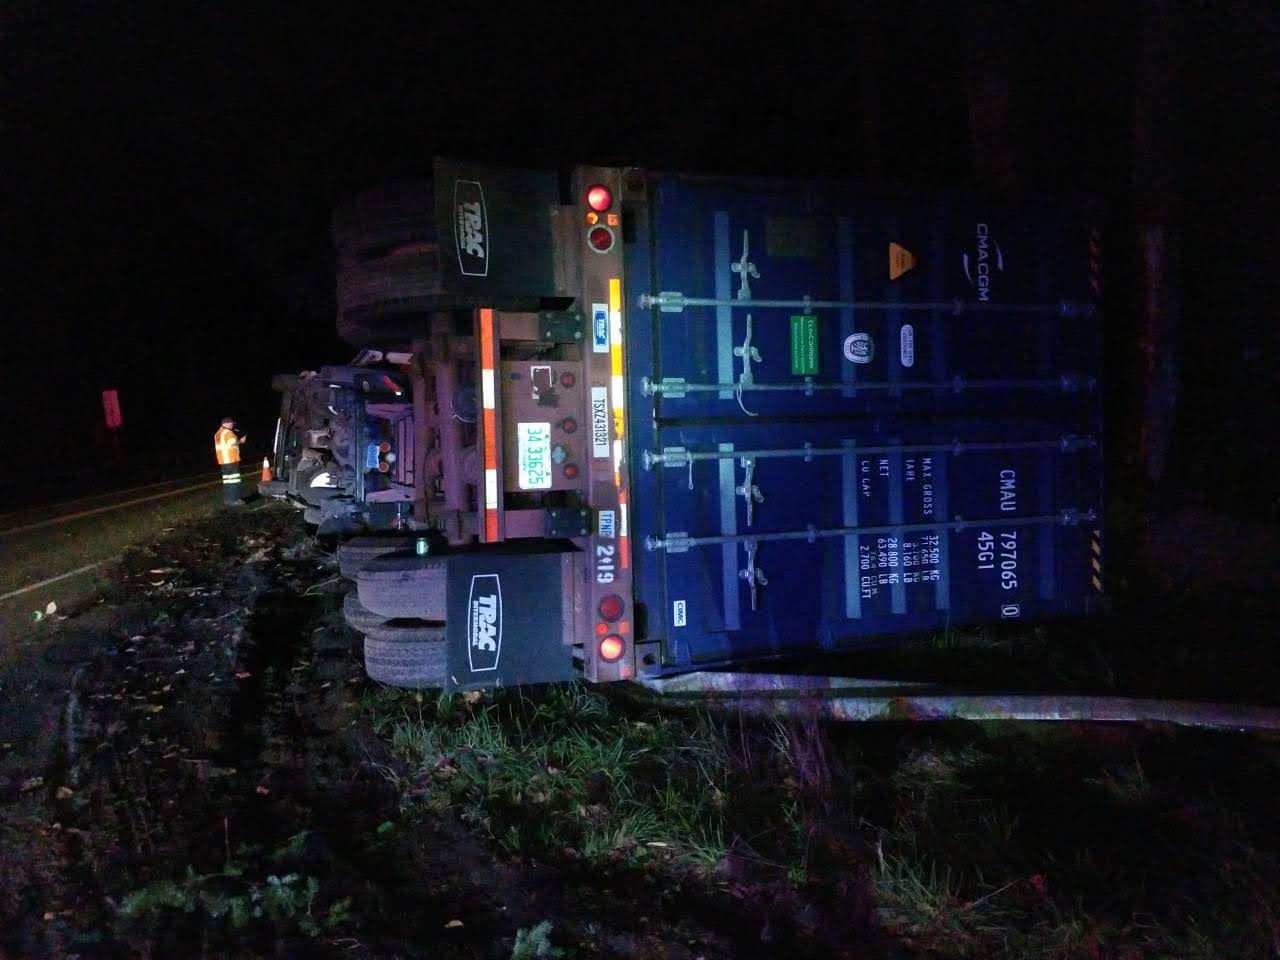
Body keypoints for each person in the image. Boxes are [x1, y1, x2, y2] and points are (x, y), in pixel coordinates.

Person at [214, 417, 247, 506]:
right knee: (234, 481)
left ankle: (228, 500)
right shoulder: (228, 432)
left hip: (223, 461)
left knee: (227, 482)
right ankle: (234, 500)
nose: (233, 425)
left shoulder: (218, 433)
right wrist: (241, 441)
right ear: (228, 423)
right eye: (232, 423)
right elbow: (232, 443)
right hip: (231, 460)